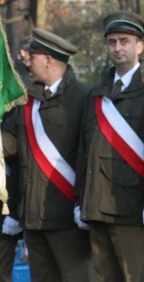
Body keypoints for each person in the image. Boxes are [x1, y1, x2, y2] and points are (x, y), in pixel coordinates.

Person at [76, 11, 144, 282]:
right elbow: (86, 151)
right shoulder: (97, 92)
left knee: (136, 276)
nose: (118, 47)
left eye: (125, 41)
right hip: (96, 203)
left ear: (139, 46)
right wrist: (79, 198)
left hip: (131, 206)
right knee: (103, 277)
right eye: (112, 42)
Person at [1, 29, 92, 281]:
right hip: (33, 217)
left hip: (68, 218)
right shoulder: (26, 99)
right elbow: (9, 143)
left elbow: (89, 159)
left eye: (32, 56)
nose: (26, 62)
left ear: (48, 59)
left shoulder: (84, 98)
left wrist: (83, 205)